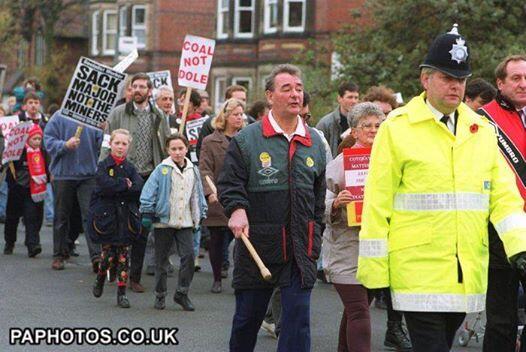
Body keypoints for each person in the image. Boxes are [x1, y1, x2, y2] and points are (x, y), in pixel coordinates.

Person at [356, 25, 526, 352]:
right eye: (448, 78)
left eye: (460, 80)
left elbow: (504, 195)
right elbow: (377, 202)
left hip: (464, 272)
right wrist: (375, 273)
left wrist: (519, 247)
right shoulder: (398, 128)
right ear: (425, 79)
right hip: (417, 271)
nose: (456, 86)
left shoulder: (480, 129)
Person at [218, 64, 327, 352]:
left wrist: (315, 238)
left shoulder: (314, 141)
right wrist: (237, 209)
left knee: (297, 322)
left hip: (300, 249)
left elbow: (318, 199)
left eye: (299, 89)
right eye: (286, 88)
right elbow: (229, 184)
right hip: (258, 247)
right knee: (246, 321)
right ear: (269, 96)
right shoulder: (247, 140)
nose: (295, 94)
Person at [323, 102, 385, 352]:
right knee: (359, 311)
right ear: (354, 132)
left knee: (355, 311)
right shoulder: (341, 163)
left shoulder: (387, 161)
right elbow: (320, 200)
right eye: (366, 126)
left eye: (378, 125)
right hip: (345, 248)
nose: (373, 130)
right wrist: (336, 203)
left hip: (375, 247)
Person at [101, 72, 170, 293]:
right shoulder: (118, 113)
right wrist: (105, 171)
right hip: (122, 174)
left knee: (141, 228)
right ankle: (112, 266)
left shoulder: (159, 116)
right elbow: (105, 144)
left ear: (150, 91)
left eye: (143, 86)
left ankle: (134, 276)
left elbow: (166, 146)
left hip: (149, 177)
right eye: (135, 86)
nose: (138, 90)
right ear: (131, 90)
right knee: (117, 225)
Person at [477, 55, 526, 352]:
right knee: (501, 320)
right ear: (500, 83)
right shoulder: (483, 120)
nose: (523, 84)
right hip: (501, 232)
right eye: (516, 78)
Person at [140, 134, 207, 311]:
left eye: (181, 148)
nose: (177, 152)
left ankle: (182, 293)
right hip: (164, 221)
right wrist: (147, 212)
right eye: (173, 149)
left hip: (185, 221)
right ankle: (160, 295)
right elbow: (149, 191)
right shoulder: (162, 169)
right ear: (168, 150)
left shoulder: (193, 170)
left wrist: (201, 213)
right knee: (161, 261)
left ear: (186, 149)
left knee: (188, 257)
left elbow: (198, 193)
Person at [89, 129, 144, 308]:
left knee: (123, 256)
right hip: (108, 218)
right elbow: (104, 186)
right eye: (117, 143)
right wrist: (123, 185)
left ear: (129, 146)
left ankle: (121, 293)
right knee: (106, 255)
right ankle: (100, 279)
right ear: (110, 144)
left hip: (126, 217)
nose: (120, 147)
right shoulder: (103, 165)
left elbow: (137, 187)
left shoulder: (130, 167)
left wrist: (124, 187)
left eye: (124, 144)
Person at [44, 111, 103, 271]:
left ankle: (96, 257)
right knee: (61, 216)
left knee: (90, 216)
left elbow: (102, 145)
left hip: (88, 175)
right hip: (64, 174)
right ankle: (58, 255)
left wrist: (104, 131)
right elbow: (48, 141)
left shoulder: (93, 118)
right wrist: (64, 145)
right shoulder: (58, 117)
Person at [199, 98, 245, 293]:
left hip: (242, 196)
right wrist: (209, 192)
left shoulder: (246, 139)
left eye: (241, 114)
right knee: (217, 240)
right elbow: (204, 169)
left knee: (241, 241)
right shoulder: (210, 141)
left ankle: (240, 278)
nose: (240, 118)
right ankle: (217, 277)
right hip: (218, 196)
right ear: (225, 117)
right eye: (236, 114)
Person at [3, 124, 48, 257]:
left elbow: (47, 167)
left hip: (34, 189)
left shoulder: (42, 152)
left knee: (32, 218)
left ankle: (33, 245)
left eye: (39, 139)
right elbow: (7, 162)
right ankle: (9, 242)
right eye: (34, 139)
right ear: (27, 139)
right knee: (12, 217)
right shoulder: (18, 151)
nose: (37, 142)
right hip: (17, 187)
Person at [316, 82, 360, 157]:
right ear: (339, 99)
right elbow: (317, 150)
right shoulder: (325, 123)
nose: (354, 101)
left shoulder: (362, 122)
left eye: (356, 98)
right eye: (350, 97)